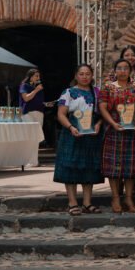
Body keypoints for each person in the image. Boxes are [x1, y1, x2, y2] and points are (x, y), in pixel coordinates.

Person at [54, 64, 103, 216]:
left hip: (91, 135)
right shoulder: (68, 92)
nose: (85, 76)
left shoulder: (97, 92)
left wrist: (99, 125)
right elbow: (61, 114)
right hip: (72, 133)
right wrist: (70, 127)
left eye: (88, 74)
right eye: (81, 74)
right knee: (70, 166)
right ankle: (72, 202)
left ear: (92, 76)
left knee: (89, 167)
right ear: (76, 76)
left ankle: (87, 203)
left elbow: (102, 114)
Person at [98, 59, 135, 213]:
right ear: (115, 70)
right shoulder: (107, 88)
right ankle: (115, 197)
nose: (123, 71)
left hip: (133, 133)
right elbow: (102, 108)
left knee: (131, 168)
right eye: (119, 68)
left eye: (126, 68)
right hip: (114, 130)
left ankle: (129, 198)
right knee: (114, 168)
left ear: (130, 71)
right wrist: (112, 123)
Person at [19, 69, 46, 142]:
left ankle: (35, 152)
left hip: (39, 113)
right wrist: (36, 90)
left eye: (39, 76)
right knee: (28, 135)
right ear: (30, 77)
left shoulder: (38, 87)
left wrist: (45, 104)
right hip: (28, 113)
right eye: (36, 76)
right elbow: (26, 98)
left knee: (37, 137)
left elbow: (37, 101)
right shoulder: (24, 85)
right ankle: (27, 152)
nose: (38, 78)